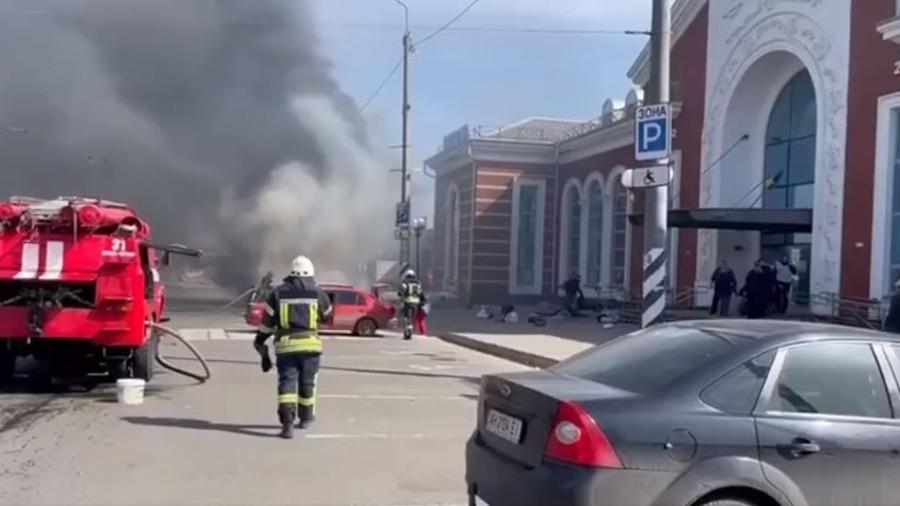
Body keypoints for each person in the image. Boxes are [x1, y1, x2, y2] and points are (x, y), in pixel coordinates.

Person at [253, 255, 332, 440]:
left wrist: (260, 339)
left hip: (287, 347)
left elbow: (267, 323)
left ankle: (287, 425)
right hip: (311, 346)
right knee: (307, 383)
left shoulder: (278, 293)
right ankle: (305, 418)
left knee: (287, 385)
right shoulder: (318, 292)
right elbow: (328, 314)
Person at [398, 269, 424, 340]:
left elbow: (402, 290)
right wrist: (423, 301)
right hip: (416, 303)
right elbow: (421, 293)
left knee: (407, 317)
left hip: (408, 302)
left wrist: (400, 295)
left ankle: (408, 329)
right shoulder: (418, 283)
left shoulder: (406, 282)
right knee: (413, 317)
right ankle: (410, 329)